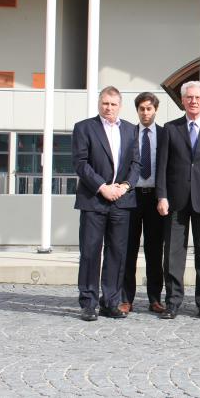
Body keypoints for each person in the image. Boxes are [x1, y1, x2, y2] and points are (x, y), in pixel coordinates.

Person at [72, 86, 140, 321]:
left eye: (112, 104)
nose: (108, 107)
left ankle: (111, 301)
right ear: (99, 104)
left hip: (122, 201)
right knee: (90, 252)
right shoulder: (84, 128)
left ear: (119, 105)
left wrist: (125, 186)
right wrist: (103, 187)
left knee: (117, 253)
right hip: (94, 199)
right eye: (104, 103)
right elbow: (81, 163)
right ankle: (88, 303)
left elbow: (136, 164)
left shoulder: (131, 130)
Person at [156, 81, 200, 320]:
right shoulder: (170, 129)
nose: (193, 101)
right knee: (173, 254)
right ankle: (173, 301)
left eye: (197, 98)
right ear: (183, 101)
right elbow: (161, 166)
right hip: (175, 201)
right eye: (189, 97)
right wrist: (161, 196)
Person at [120, 92, 165, 314]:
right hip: (132, 196)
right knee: (128, 249)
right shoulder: (129, 133)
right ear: (137, 111)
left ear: (155, 109)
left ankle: (155, 298)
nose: (145, 112)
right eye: (142, 109)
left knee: (154, 250)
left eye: (149, 108)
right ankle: (126, 298)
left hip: (156, 197)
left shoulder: (165, 134)